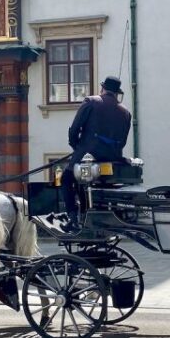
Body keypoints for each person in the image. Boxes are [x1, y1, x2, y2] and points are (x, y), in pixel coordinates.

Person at [60, 76, 132, 231]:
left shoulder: (91, 101)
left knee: (66, 178)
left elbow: (75, 128)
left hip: (89, 154)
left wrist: (76, 147)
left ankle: (73, 218)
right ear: (116, 93)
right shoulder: (126, 112)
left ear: (103, 89)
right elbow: (123, 141)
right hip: (113, 159)